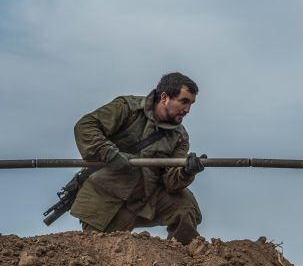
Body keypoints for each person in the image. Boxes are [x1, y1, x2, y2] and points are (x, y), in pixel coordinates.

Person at [71, 72, 206, 244]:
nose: (187, 110)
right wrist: (108, 152)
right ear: (165, 97)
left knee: (185, 204)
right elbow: (85, 126)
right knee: (99, 253)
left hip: (147, 199)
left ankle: (185, 260)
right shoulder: (128, 109)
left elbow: (171, 182)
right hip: (106, 201)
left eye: (191, 104)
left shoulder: (179, 137)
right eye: (184, 101)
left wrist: (186, 172)